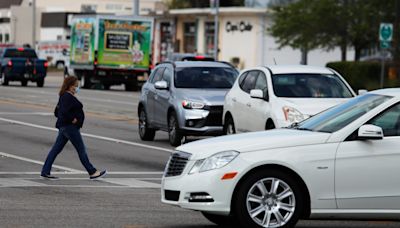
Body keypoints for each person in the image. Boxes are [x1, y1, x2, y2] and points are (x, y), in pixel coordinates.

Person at [41, 76, 106, 180]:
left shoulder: (64, 96)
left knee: (56, 149)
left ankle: (45, 170)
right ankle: (92, 172)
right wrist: (72, 119)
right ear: (70, 86)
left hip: (64, 127)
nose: (77, 88)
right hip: (70, 128)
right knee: (81, 149)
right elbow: (62, 112)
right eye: (75, 85)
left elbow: (57, 112)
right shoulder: (67, 97)